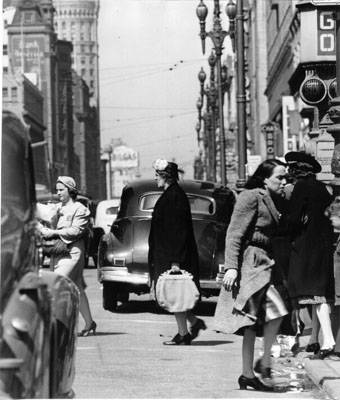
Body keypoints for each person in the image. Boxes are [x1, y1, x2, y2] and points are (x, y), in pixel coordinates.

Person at [214, 159, 289, 392]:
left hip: (267, 261)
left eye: (286, 177)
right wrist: (231, 267)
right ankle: (253, 370)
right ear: (265, 178)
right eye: (279, 177)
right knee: (255, 318)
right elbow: (234, 234)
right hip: (252, 263)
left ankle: (255, 368)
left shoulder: (276, 198)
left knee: (264, 317)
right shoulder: (251, 196)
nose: (284, 181)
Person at [148, 159, 206, 345]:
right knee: (176, 293)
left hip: (173, 255)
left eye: (157, 174)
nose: (155, 178)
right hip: (168, 253)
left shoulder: (174, 196)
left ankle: (184, 333)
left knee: (175, 293)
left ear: (165, 176)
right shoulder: (172, 194)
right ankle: (193, 323)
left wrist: (175, 261)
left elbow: (178, 231)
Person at [285, 151, 335, 359]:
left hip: (306, 245)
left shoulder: (300, 188)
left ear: (297, 170)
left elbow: (294, 219)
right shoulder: (324, 188)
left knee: (314, 293)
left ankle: (328, 340)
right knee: (317, 294)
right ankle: (314, 338)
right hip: (323, 244)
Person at [37, 176, 96, 336]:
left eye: (61, 190)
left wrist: (53, 232)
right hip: (58, 253)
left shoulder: (80, 209)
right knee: (77, 288)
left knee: (56, 284)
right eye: (57, 190)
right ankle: (90, 323)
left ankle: (57, 326)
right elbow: (38, 211)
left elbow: (76, 231)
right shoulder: (56, 208)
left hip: (72, 254)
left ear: (70, 190)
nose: (58, 193)